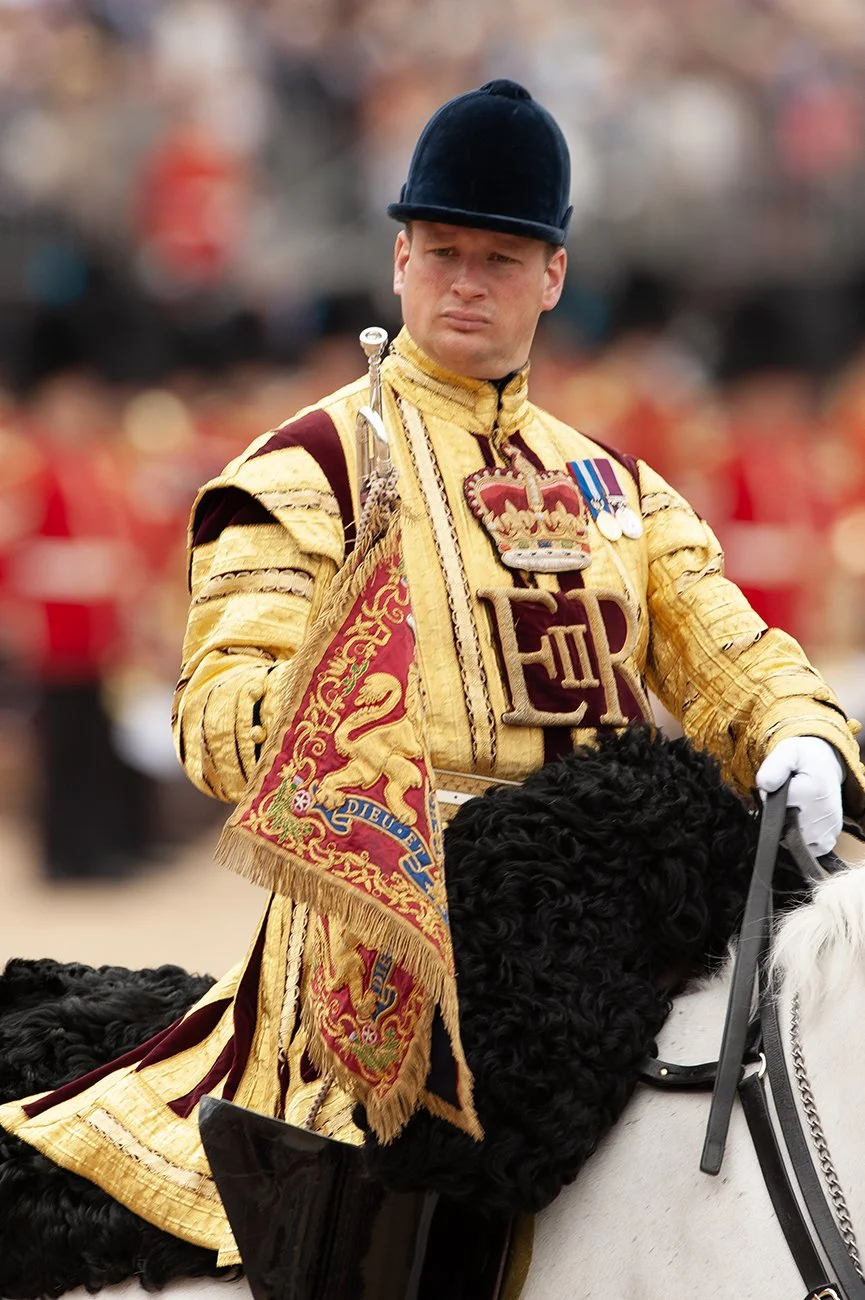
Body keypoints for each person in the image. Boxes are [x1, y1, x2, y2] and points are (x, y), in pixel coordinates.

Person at [1, 77, 863, 1288]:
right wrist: (340, 712)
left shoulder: (615, 486)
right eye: (444, 251)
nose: (467, 282)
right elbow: (214, 715)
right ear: (398, 258)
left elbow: (732, 649)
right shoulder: (311, 464)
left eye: (500, 259)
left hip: (613, 915)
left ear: (551, 276)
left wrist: (802, 730)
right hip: (388, 932)